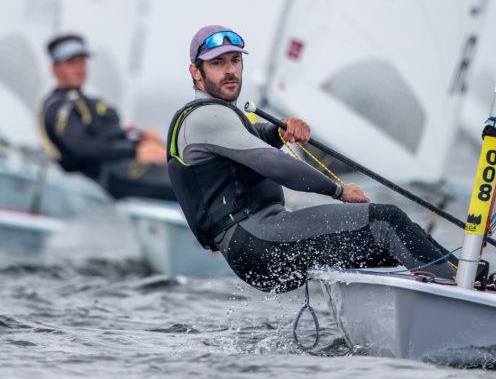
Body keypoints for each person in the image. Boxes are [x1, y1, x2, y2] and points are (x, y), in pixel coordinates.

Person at [167, 25, 458, 293]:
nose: (229, 70)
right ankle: (457, 289)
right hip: (259, 241)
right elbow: (271, 163)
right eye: (217, 63)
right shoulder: (206, 116)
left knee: (399, 242)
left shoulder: (216, 117)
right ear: (196, 72)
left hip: (255, 246)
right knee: (387, 221)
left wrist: (281, 131)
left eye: (234, 60)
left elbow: (253, 136)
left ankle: (460, 277)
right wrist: (338, 190)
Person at [39, 33, 175, 201]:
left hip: (120, 169)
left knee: (187, 171)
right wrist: (135, 149)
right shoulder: (58, 106)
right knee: (187, 186)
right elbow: (83, 148)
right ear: (55, 68)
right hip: (102, 180)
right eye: (71, 63)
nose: (79, 68)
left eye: (82, 61)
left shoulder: (92, 103)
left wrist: (141, 138)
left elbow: (112, 133)